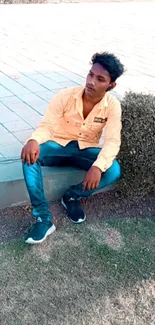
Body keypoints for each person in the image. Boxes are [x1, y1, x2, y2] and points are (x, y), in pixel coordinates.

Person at [21, 52, 124, 244]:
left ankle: (71, 197)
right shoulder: (65, 96)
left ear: (111, 85)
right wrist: (34, 139)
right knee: (29, 157)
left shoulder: (112, 106)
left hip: (84, 151)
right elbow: (47, 125)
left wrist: (97, 167)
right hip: (57, 146)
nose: (91, 81)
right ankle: (44, 218)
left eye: (100, 79)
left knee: (113, 170)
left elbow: (112, 141)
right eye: (90, 74)